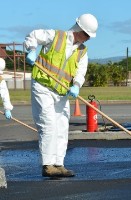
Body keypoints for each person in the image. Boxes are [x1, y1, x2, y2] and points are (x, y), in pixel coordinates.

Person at [24, 13, 98, 177]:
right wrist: (31, 50)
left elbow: (81, 72)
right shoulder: (56, 36)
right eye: (87, 35)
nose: (88, 39)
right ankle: (47, 165)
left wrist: (77, 85)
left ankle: (59, 163)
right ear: (79, 29)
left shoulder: (82, 51)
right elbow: (33, 36)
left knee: (62, 127)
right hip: (43, 86)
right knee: (48, 124)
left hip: (62, 92)